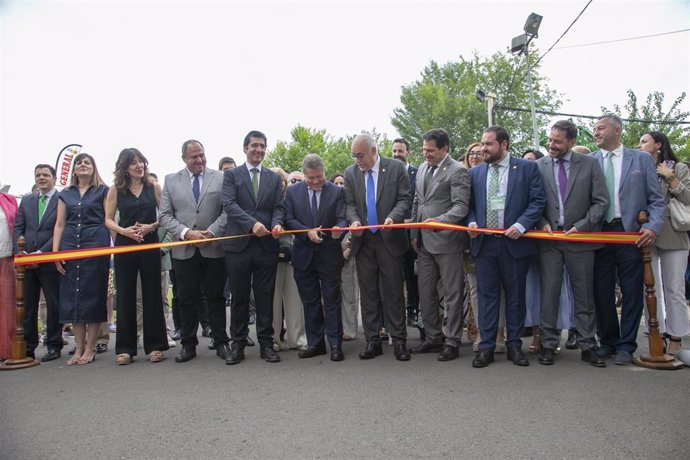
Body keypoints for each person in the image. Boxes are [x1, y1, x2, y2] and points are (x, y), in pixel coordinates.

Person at [467, 126, 546, 368]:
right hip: (485, 244)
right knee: (487, 297)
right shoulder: (476, 173)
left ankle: (514, 346)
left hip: (515, 243)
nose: (483, 149)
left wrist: (522, 225)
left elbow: (537, 201)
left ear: (504, 145)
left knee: (515, 297)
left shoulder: (527, 168)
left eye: (489, 144)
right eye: (482, 143)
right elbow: (469, 205)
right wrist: (471, 221)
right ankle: (487, 347)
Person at [591, 115, 665, 365]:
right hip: (598, 233)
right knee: (601, 291)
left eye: (601, 128)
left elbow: (656, 200)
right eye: (595, 129)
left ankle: (626, 345)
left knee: (632, 291)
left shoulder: (641, 159)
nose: (596, 133)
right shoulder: (589, 161)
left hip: (630, 233)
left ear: (617, 130)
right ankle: (608, 341)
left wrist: (653, 227)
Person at [535, 120, 608, 367]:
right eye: (550, 139)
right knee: (549, 293)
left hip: (581, 239)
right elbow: (534, 201)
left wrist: (584, 226)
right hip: (550, 240)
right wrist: (542, 221)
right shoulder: (539, 166)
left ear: (572, 142)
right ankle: (547, 344)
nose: (551, 145)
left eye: (557, 141)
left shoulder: (590, 164)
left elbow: (601, 202)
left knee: (584, 294)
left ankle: (588, 345)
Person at [159, 139, 229, 363]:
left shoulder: (220, 178)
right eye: (194, 157)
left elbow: (228, 210)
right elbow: (164, 216)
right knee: (186, 299)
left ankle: (221, 342)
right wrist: (187, 233)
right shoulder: (171, 180)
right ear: (184, 159)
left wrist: (211, 232)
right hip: (184, 251)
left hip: (214, 248)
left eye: (202, 155)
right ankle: (188, 345)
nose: (199, 160)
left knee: (216, 298)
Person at [344, 133, 411, 361]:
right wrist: (354, 221)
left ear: (374, 150)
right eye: (354, 156)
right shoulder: (350, 174)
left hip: (389, 239)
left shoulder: (395, 169)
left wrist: (393, 216)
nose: (357, 161)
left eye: (360, 155)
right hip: (364, 242)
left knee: (393, 291)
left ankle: (399, 340)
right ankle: (373, 340)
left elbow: (405, 199)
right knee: (368, 292)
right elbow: (350, 205)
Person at [222, 130, 284, 365]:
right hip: (238, 245)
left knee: (265, 296)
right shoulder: (231, 176)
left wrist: (277, 223)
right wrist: (252, 224)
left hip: (266, 246)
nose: (259, 150)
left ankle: (266, 344)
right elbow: (229, 204)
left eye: (263, 146)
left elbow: (279, 207)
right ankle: (237, 343)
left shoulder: (273, 178)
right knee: (238, 296)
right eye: (255, 145)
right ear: (245, 148)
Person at [409, 129, 470, 361]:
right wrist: (414, 232)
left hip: (448, 242)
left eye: (430, 150)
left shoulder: (458, 171)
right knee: (426, 293)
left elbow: (460, 207)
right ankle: (433, 337)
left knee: (453, 294)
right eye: (424, 149)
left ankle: (452, 340)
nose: (426, 154)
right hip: (423, 243)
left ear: (445, 149)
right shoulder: (422, 168)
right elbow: (418, 202)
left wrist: (439, 222)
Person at [105, 148, 169, 365]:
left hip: (150, 243)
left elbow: (166, 216)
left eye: (141, 161)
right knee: (125, 295)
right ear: (124, 167)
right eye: (133, 163)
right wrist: (124, 231)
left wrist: (152, 226)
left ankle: (156, 346)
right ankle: (125, 348)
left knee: (153, 294)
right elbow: (108, 219)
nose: (139, 166)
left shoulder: (154, 187)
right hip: (125, 245)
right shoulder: (116, 189)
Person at [285, 154, 347, 361]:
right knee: (310, 302)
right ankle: (316, 343)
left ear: (324, 172)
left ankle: (336, 344)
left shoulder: (337, 192)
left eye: (318, 177)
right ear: (304, 175)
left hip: (329, 254)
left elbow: (341, 217)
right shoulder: (293, 192)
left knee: (331, 301)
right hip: (303, 256)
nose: (314, 182)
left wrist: (339, 229)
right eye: (310, 178)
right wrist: (307, 232)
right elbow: (288, 220)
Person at [52, 153, 110, 366]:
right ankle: (78, 345)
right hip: (70, 246)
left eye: (87, 162)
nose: (83, 165)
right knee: (72, 297)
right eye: (79, 163)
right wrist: (56, 252)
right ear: (74, 170)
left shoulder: (103, 191)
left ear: (94, 168)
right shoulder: (65, 194)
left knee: (93, 295)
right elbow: (59, 224)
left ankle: (90, 347)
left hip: (95, 245)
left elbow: (109, 219)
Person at [638, 130, 690, 355]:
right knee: (650, 287)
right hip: (645, 233)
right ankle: (655, 334)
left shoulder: (678, 168)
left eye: (644, 141)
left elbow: (688, 197)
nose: (639, 145)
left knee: (674, 288)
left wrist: (670, 177)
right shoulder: (638, 168)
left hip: (673, 233)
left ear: (658, 144)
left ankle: (676, 337)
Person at [13, 164, 63, 361]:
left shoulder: (62, 199)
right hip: (27, 262)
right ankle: (29, 346)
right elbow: (19, 228)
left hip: (49, 260)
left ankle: (54, 344)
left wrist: (42, 253)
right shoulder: (26, 201)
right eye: (38, 175)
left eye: (45, 175)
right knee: (27, 306)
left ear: (54, 178)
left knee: (53, 304)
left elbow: (61, 228)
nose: (41, 178)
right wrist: (22, 252)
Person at [270, 167, 307, 352]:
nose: (279, 184)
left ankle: (297, 338)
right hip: (270, 256)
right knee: (273, 299)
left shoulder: (292, 200)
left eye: (282, 180)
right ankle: (273, 338)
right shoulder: (266, 202)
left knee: (294, 298)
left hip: (293, 254)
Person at [392, 138, 420, 327]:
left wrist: (412, 225)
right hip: (392, 234)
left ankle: (413, 311)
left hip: (411, 233)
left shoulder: (417, 174)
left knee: (412, 276)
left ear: (408, 152)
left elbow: (418, 202)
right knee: (394, 275)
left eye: (400, 151)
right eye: (394, 151)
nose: (396, 154)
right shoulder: (389, 173)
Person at [331, 173, 359, 340]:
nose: (340, 186)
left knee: (349, 294)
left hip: (349, 256)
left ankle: (350, 330)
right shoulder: (331, 202)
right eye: (337, 183)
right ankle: (335, 328)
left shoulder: (351, 205)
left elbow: (356, 228)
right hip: (331, 256)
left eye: (342, 183)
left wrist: (348, 250)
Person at [0, 191, 18, 361]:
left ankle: (6, 349)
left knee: (7, 305)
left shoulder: (9, 200)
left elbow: (17, 226)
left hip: (5, 258)